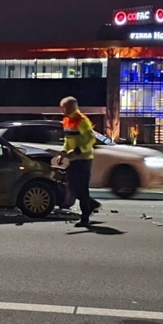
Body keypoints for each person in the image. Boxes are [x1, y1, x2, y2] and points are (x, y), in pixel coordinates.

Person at [56, 96, 100, 227]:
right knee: (73, 188)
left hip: (83, 159)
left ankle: (85, 217)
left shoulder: (82, 120)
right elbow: (68, 140)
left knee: (81, 188)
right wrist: (63, 153)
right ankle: (91, 204)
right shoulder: (67, 121)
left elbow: (91, 140)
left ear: (70, 107)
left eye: (63, 107)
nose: (62, 110)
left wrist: (77, 151)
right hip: (74, 159)